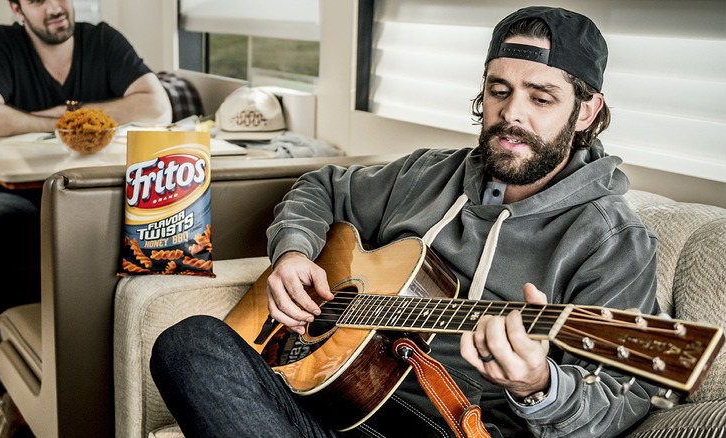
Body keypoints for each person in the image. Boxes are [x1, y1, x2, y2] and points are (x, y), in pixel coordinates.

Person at [150, 6, 660, 438]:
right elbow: (321, 186)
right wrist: (293, 253)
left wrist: (538, 385)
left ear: (588, 110)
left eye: (541, 98)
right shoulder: (428, 173)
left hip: (453, 427)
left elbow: (622, 397)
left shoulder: (613, 240)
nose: (511, 114)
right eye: (499, 90)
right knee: (188, 343)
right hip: (333, 399)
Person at [0, 0, 172, 436]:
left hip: (99, 202)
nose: (54, 6)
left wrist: (51, 117)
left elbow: (156, 106)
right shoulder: (2, 44)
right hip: (22, 202)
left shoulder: (103, 39)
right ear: (16, 9)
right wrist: (69, 121)